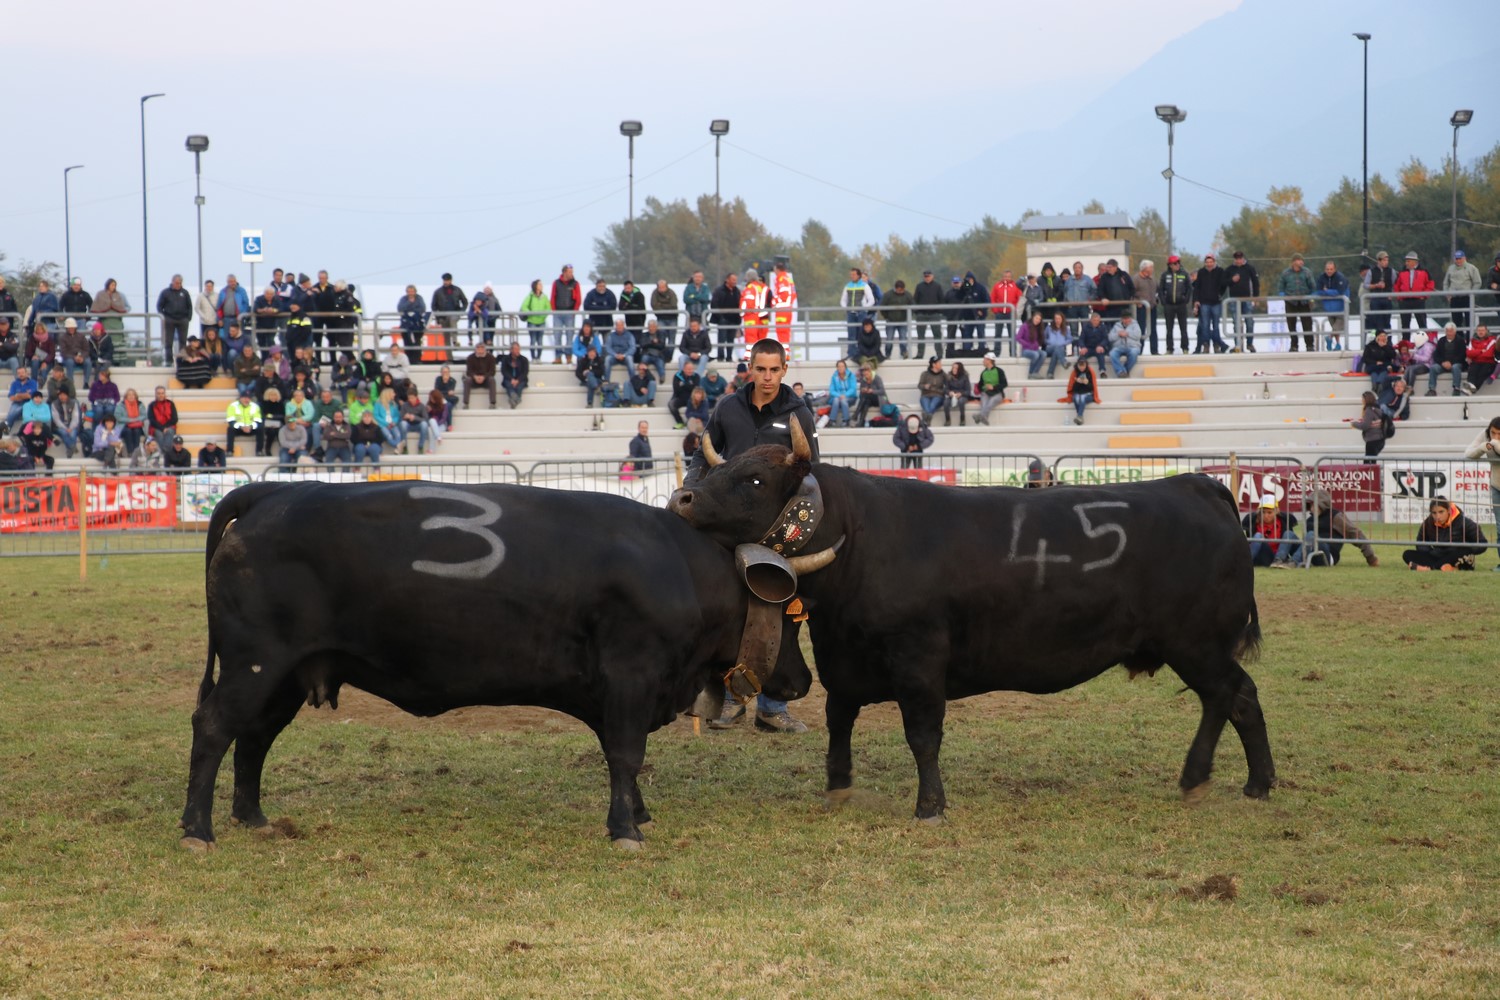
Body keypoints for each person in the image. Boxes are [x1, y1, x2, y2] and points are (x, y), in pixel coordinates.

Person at [687, 338, 816, 735]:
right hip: (730, 526)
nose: (767, 377)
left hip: (777, 533)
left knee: (781, 620)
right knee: (732, 615)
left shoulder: (798, 413)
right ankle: (730, 701)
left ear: (784, 370)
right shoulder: (728, 407)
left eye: (774, 370)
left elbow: (809, 471)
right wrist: (692, 487)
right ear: (750, 369)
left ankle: (773, 708)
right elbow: (703, 454)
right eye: (760, 369)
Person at [1402, 498, 1487, 571]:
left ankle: (1429, 568)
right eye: (1434, 513)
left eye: (1441, 512)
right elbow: (1421, 541)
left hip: (1457, 555)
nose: (1437, 516)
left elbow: (1482, 544)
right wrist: (1430, 552)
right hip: (1437, 555)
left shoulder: (1464, 522)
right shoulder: (1428, 522)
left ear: (1449, 510)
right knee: (1407, 554)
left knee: (1464, 553)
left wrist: (1467, 548)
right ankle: (1447, 568)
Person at [1306, 489, 1379, 567]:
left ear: (1322, 504)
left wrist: (1370, 557)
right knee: (1296, 537)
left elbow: (1355, 533)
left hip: (1327, 555)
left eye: (1314, 505)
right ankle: (1298, 560)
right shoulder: (1309, 520)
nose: (1311, 509)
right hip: (1311, 554)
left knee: (1311, 535)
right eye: (1310, 506)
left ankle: (1298, 561)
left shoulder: (1335, 516)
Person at [1463, 416, 1500, 570]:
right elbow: (1468, 453)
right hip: (1496, 486)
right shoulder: (1485, 435)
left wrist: (1496, 444)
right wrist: (1482, 448)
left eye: (1499, 434)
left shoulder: (1495, 442)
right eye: (1493, 433)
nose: (1495, 436)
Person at [1242, 497, 1301, 568]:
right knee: (1258, 535)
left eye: (1269, 512)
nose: (1266, 516)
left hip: (1279, 554)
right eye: (1263, 512)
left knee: (1289, 534)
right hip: (1263, 554)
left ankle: (1280, 560)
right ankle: (1246, 562)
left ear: (1276, 511)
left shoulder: (1284, 520)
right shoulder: (1252, 521)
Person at [1191, 254, 1228, 353]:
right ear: (1205, 263)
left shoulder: (1220, 271)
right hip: (1204, 303)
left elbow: (1224, 284)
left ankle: (1217, 345)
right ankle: (1206, 345)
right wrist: (1196, 300)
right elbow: (1197, 287)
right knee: (1205, 326)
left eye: (1211, 262)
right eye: (1207, 262)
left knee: (1216, 326)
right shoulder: (1201, 272)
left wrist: (1220, 294)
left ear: (1214, 262)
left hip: (1216, 303)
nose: (1209, 264)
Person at [1223, 251, 1260, 350]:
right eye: (1237, 258)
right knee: (1236, 323)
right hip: (1234, 300)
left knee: (1249, 322)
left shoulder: (1249, 268)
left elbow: (1255, 282)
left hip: (1247, 299)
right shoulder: (1229, 269)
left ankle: (1249, 343)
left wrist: (1255, 297)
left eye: (1240, 258)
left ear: (1243, 258)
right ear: (1234, 259)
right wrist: (1232, 280)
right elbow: (1223, 282)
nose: (1238, 260)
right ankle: (1238, 345)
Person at [1393, 251, 1434, 334]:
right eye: (1406, 261)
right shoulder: (1402, 272)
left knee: (1422, 323)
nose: (1406, 263)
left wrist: (1424, 296)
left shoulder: (1424, 272)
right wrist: (1399, 297)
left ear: (1415, 262)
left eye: (1408, 261)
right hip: (1405, 301)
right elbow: (1396, 285)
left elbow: (1430, 284)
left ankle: (1424, 340)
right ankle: (1405, 341)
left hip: (1418, 300)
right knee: (1405, 325)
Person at [1444, 250, 1482, 336]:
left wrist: (1472, 294)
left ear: (1464, 258)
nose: (1458, 261)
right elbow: (1445, 282)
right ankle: (1459, 340)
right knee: (1456, 321)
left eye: (1460, 258)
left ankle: (1469, 340)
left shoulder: (1471, 268)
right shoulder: (1450, 268)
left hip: (1467, 298)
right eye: (1457, 259)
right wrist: (1447, 294)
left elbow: (1477, 282)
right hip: (1454, 298)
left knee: (1469, 321)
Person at [549, 264, 582, 363]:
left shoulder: (575, 284)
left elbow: (578, 299)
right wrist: (554, 311)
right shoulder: (556, 283)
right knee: (557, 335)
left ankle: (568, 357)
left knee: (569, 335)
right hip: (558, 313)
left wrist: (575, 311)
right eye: (569, 272)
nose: (571, 274)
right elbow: (553, 297)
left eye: (572, 272)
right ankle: (558, 357)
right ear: (564, 272)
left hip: (570, 313)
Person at [157, 274, 194, 362]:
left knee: (183, 341)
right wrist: (164, 317)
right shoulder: (165, 292)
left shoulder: (185, 293)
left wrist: (188, 318)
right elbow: (159, 306)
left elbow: (189, 306)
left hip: (183, 319)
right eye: (177, 283)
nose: (178, 285)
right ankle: (169, 360)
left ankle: (182, 359)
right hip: (169, 319)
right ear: (172, 282)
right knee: (169, 341)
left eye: (180, 283)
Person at [1316, 261, 1351, 350]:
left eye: (1331, 269)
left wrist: (1327, 291)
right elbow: (1319, 291)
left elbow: (1340, 292)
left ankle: (1330, 337)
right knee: (1335, 328)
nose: (1329, 271)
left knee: (1337, 327)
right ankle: (1338, 344)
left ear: (1335, 269)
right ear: (1325, 269)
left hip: (1340, 307)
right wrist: (1330, 292)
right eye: (1327, 269)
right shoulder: (1321, 277)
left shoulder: (1340, 277)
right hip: (1329, 307)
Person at [1427, 322, 1468, 396]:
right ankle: (1432, 389)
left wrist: (1451, 363)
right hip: (1443, 364)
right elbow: (1436, 355)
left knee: (1455, 367)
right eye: (1447, 331)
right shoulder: (1441, 340)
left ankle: (1456, 388)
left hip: (1456, 363)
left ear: (1454, 331)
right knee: (1433, 368)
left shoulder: (1461, 341)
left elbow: (1462, 355)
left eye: (1451, 331)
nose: (1449, 333)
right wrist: (1442, 362)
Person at [911, 270, 946, 359]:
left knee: (937, 335)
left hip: (934, 314)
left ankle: (939, 354)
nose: (927, 278)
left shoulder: (937, 286)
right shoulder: (919, 286)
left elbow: (942, 300)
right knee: (920, 336)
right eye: (925, 276)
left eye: (928, 276)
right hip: (922, 314)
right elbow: (915, 300)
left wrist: (939, 311)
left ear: (932, 276)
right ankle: (920, 354)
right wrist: (917, 312)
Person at [840, 268, 875, 352]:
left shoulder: (865, 285)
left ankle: (861, 352)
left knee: (861, 333)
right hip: (850, 314)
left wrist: (864, 308)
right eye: (851, 274)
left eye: (854, 274)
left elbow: (871, 300)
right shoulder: (848, 286)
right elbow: (843, 300)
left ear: (858, 275)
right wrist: (846, 308)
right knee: (851, 334)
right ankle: (852, 353)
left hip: (861, 314)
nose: (852, 276)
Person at [988, 271, 1021, 356]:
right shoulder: (997, 286)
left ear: (1011, 277)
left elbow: (1019, 299)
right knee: (998, 333)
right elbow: (993, 298)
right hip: (999, 313)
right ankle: (996, 353)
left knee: (1012, 334)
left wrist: (1014, 309)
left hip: (1010, 313)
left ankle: (1013, 353)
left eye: (1008, 276)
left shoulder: (1015, 286)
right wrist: (995, 310)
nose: (1006, 278)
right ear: (1002, 277)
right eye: (1005, 276)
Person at [1349, 390, 1387, 462]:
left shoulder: (1369, 410)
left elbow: (1365, 426)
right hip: (1380, 439)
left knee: (1368, 463)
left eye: (1362, 399)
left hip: (1372, 440)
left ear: (1366, 399)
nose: (1362, 400)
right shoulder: (1377, 408)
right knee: (1372, 462)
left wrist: (1353, 423)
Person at [431, 273, 468, 345]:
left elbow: (465, 302)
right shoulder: (438, 292)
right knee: (445, 336)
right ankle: (448, 350)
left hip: (454, 314)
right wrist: (438, 316)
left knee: (453, 320)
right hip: (442, 316)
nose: (445, 282)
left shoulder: (457, 290)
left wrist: (461, 312)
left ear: (451, 280)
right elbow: (433, 305)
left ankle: (454, 341)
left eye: (447, 280)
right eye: (444, 280)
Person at [882, 279, 915, 359]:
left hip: (903, 321)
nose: (900, 292)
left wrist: (908, 316)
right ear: (895, 288)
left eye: (902, 290)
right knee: (889, 339)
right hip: (891, 321)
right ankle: (887, 355)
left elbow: (913, 306)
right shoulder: (888, 295)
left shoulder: (907, 295)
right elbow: (882, 307)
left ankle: (904, 353)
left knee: (903, 339)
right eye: (899, 290)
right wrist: (887, 316)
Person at [974, 352, 1008, 426]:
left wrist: (993, 387)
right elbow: (980, 386)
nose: (983, 361)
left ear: (989, 360)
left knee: (991, 403)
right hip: (986, 393)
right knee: (984, 404)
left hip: (997, 393)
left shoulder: (999, 371)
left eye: (985, 359)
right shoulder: (983, 372)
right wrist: (984, 387)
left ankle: (979, 416)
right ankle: (984, 418)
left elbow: (1004, 384)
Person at [1064, 354, 1098, 425]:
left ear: (1086, 365)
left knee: (1082, 397)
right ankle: (1080, 417)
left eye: (1083, 365)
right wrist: (1077, 382)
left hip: (1088, 394)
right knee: (1076, 398)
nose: (1082, 367)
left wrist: (1087, 383)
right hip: (1078, 393)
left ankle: (1079, 416)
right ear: (1077, 365)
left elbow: (1093, 388)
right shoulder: (1075, 373)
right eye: (1080, 365)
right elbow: (1073, 389)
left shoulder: (1090, 372)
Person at [49, 387, 82, 458]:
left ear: (67, 395)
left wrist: (71, 427)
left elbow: (75, 417)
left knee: (72, 434)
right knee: (64, 432)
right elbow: (56, 420)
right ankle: (73, 447)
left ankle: (69, 452)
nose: (62, 397)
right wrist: (65, 428)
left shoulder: (74, 403)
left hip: (72, 425)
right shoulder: (54, 404)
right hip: (59, 426)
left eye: (64, 395)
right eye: (60, 395)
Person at [1462, 324, 1495, 395]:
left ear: (1486, 331)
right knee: (1472, 371)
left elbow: (1489, 354)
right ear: (1476, 331)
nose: (1480, 332)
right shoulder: (1472, 340)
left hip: (1488, 362)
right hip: (1476, 362)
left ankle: (1471, 389)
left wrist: (1475, 353)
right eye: (1479, 330)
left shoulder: (1492, 340)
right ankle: (1471, 388)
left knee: (1482, 372)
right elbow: (1468, 353)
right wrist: (1481, 351)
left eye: (1482, 330)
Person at [463, 341, 498, 408]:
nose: (480, 350)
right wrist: (475, 377)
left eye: (482, 348)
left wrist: (484, 377)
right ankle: (466, 403)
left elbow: (492, 372)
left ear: (485, 349)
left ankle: (492, 403)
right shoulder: (470, 358)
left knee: (492, 380)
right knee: (467, 380)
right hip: (474, 380)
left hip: (486, 380)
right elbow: (469, 372)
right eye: (478, 348)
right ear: (475, 349)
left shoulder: (491, 358)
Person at [1108, 311, 1142, 377]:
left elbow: (1138, 336)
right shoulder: (1116, 326)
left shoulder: (1135, 325)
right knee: (1112, 353)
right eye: (1125, 318)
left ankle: (1124, 371)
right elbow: (1110, 338)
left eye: (1128, 318)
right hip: (1119, 347)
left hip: (1133, 346)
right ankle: (1120, 371)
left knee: (1134, 353)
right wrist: (1118, 334)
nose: (1127, 320)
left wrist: (1127, 333)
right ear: (1122, 319)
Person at [668, 360, 701, 427]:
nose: (690, 371)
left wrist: (684, 384)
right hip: (680, 397)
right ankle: (680, 422)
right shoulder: (677, 376)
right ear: (684, 369)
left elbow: (695, 389)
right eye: (688, 369)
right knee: (671, 404)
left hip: (692, 398)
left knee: (698, 401)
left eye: (692, 369)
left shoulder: (696, 376)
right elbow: (676, 390)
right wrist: (689, 385)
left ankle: (690, 422)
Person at [604, 319, 636, 385]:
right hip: (614, 356)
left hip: (625, 356)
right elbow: (608, 348)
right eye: (617, 326)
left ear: (623, 326)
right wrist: (615, 355)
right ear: (615, 326)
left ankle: (633, 381)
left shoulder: (629, 335)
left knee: (630, 359)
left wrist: (624, 355)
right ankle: (606, 381)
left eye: (621, 325)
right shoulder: (611, 336)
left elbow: (633, 348)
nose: (619, 327)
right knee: (607, 359)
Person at [398, 389, 430, 454]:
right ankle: (404, 447)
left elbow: (426, 419)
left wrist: (415, 418)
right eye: (409, 398)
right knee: (403, 424)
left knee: (424, 424)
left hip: (418, 425)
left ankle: (420, 446)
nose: (410, 400)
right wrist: (405, 417)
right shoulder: (405, 405)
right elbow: (401, 418)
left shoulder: (421, 406)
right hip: (408, 425)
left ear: (416, 397)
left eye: (412, 398)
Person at [499, 341, 529, 409]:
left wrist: (518, 380)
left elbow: (525, 372)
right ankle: (517, 399)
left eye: (518, 349)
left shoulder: (524, 359)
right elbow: (504, 371)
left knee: (519, 387)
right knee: (508, 385)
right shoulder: (505, 359)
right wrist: (511, 379)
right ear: (511, 350)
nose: (517, 351)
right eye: (516, 349)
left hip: (521, 379)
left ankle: (513, 402)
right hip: (509, 379)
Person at [1015, 312, 1045, 377]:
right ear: (1033, 317)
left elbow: (1039, 340)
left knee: (1043, 354)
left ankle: (1035, 372)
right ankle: (1030, 373)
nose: (1038, 320)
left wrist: (1037, 344)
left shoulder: (1038, 328)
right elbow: (1018, 338)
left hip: (1035, 349)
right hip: (1025, 350)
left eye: (1039, 319)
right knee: (1035, 355)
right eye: (1036, 318)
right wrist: (1027, 345)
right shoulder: (1025, 326)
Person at [942, 361, 972, 427]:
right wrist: (949, 392)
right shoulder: (949, 377)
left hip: (962, 395)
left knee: (961, 401)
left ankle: (962, 419)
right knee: (945, 402)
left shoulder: (965, 377)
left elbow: (968, 391)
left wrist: (961, 394)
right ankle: (947, 419)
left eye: (956, 368)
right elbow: (945, 389)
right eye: (953, 368)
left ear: (960, 369)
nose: (954, 369)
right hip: (952, 395)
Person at [917, 357, 946, 422]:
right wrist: (924, 386)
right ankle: (927, 420)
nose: (941, 364)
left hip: (938, 395)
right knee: (927, 407)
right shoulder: (925, 374)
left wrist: (942, 391)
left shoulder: (943, 374)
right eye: (939, 363)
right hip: (926, 395)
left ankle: (925, 420)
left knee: (932, 406)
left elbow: (949, 384)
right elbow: (919, 385)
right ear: (933, 365)